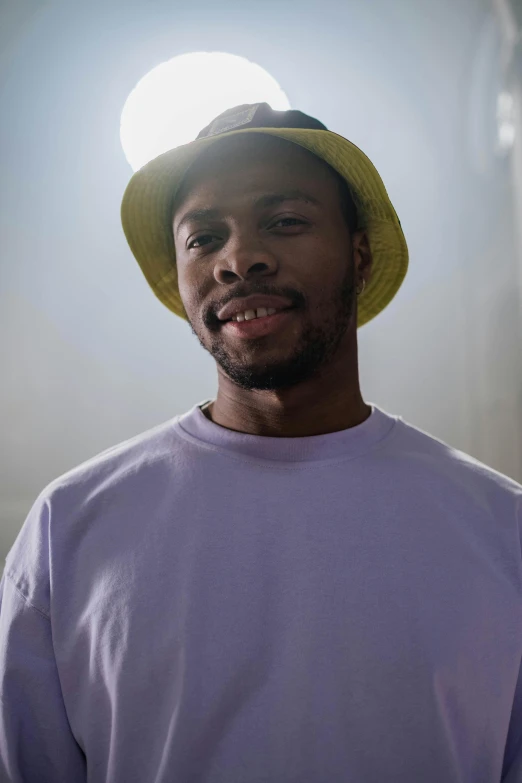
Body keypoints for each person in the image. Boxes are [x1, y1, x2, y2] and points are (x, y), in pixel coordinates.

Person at [1, 102, 521, 783]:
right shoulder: (68, 526)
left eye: (286, 222)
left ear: (359, 255)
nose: (240, 259)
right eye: (204, 238)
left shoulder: (499, 526)